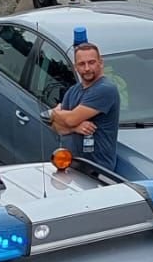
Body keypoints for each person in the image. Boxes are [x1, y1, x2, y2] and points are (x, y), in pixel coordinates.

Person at [46, 40, 120, 170]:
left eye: (91, 62)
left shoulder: (105, 89)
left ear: (100, 63)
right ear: (75, 67)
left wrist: (55, 113)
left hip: (97, 169)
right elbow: (56, 127)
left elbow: (70, 119)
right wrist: (74, 128)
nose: (87, 68)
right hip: (71, 164)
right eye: (81, 64)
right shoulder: (73, 91)